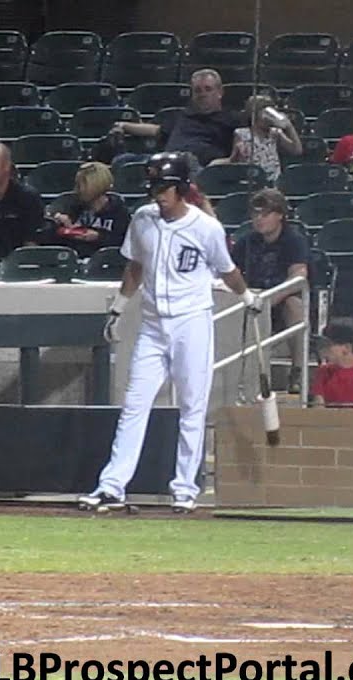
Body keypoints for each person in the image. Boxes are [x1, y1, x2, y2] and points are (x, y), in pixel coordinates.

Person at [78, 152, 260, 514]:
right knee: (134, 405)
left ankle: (184, 490)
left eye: (165, 188)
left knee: (192, 407)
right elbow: (135, 266)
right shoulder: (143, 219)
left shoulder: (206, 227)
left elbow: (227, 269)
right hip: (153, 324)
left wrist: (247, 296)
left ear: (182, 188)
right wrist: (119, 307)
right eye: (155, 188)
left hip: (191, 322)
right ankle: (112, 486)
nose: (158, 195)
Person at [229, 188, 309, 393]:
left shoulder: (294, 240)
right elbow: (231, 272)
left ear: (280, 215)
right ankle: (236, 377)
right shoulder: (246, 242)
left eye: (265, 214)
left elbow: (299, 276)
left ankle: (298, 371)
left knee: (294, 306)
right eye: (255, 214)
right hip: (251, 297)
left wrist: (270, 299)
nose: (259, 219)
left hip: (281, 299)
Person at [111, 69, 239, 168]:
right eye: (197, 90)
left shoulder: (231, 120)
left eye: (208, 89)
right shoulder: (182, 115)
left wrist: (224, 162)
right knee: (122, 161)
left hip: (200, 168)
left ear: (220, 92)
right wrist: (123, 126)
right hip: (166, 162)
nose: (203, 94)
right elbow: (154, 130)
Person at [50, 161, 130, 258]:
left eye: (82, 185)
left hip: (104, 260)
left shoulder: (118, 211)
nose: (78, 190)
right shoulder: (71, 203)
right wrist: (58, 219)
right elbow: (51, 216)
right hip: (72, 258)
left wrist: (99, 237)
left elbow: (123, 242)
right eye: (77, 185)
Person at [219, 95, 302, 182]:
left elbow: (296, 150)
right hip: (252, 180)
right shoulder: (242, 133)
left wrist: (289, 126)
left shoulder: (275, 133)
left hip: (274, 181)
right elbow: (236, 158)